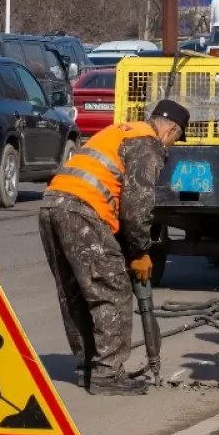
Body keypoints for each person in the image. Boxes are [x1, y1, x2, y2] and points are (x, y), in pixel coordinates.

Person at [38, 100, 190, 396]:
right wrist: (140, 252)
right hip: (82, 211)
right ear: (171, 128)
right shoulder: (147, 143)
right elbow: (136, 208)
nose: (170, 147)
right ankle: (107, 373)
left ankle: (87, 365)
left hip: (51, 206)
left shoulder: (118, 132)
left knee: (76, 292)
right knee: (113, 290)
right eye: (175, 139)